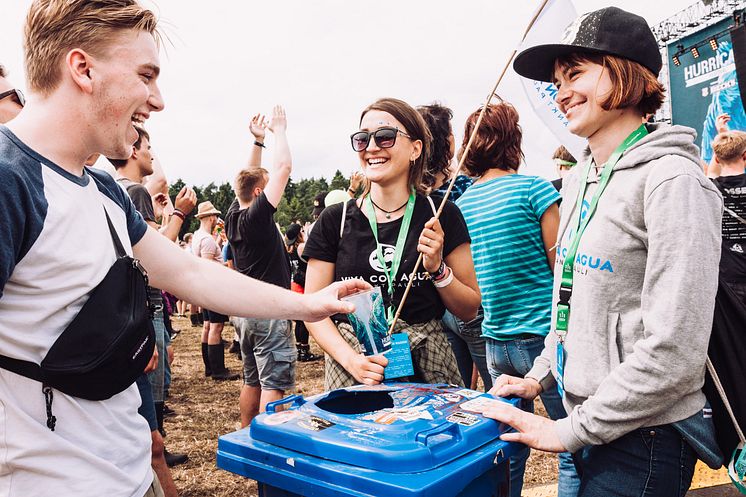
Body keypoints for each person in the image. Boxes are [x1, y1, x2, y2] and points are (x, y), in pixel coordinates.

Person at [0, 2, 368, 495]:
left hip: (129, 472)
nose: (158, 99)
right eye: (146, 75)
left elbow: (190, 275)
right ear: (82, 68)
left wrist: (309, 304)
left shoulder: (102, 188)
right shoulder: (10, 180)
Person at [485, 7, 723, 496]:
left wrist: (565, 431)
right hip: (590, 426)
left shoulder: (673, 180)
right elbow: (571, 307)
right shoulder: (579, 181)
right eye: (555, 80)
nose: (560, 91)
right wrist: (538, 376)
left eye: (575, 73)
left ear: (625, 74)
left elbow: (675, 351)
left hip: (645, 439)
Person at [303, 97, 481, 389]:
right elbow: (312, 310)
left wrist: (438, 270)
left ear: (415, 148)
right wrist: (352, 361)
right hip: (354, 364)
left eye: (385, 137)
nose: (371, 147)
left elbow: (470, 309)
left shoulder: (441, 214)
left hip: (428, 364)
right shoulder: (335, 219)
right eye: (362, 139)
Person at [455, 101, 577, 497]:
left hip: (495, 344)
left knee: (509, 448)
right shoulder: (535, 189)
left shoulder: (460, 206)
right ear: (513, 141)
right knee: (571, 444)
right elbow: (562, 267)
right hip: (544, 342)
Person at [109, 125, 193, 487]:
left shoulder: (111, 188)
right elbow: (152, 257)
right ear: (132, 150)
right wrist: (179, 216)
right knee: (149, 430)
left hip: (130, 313)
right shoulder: (134, 191)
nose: (152, 156)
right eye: (148, 148)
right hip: (144, 310)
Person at [226, 106, 297, 428]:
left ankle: (246, 433)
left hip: (243, 311)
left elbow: (246, 178)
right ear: (259, 194)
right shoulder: (256, 217)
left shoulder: (233, 217)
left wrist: (257, 143)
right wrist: (279, 130)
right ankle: (272, 440)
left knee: (252, 378)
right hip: (268, 311)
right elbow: (283, 167)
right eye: (265, 189)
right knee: (274, 383)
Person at [417, 102, 490, 392]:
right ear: (448, 142)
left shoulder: (412, 196)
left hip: (435, 307)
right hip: (469, 295)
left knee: (453, 391)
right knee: (496, 386)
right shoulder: (465, 190)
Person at [193, 201, 240, 381]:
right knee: (216, 327)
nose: (217, 219)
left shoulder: (199, 236)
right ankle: (218, 370)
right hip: (212, 287)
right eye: (216, 216)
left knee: (207, 326)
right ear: (211, 217)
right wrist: (225, 269)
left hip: (204, 288)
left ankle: (210, 368)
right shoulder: (206, 240)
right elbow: (207, 265)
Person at [708, 128, 746, 303]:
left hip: (727, 273)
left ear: (716, 158)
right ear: (744, 156)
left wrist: (721, 137)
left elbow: (711, 173)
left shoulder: (710, 189)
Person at [286, 223, 321, 362]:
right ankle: (304, 350)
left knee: (299, 321)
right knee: (304, 321)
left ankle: (299, 348)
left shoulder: (289, 249)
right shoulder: (301, 247)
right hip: (302, 285)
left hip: (294, 284)